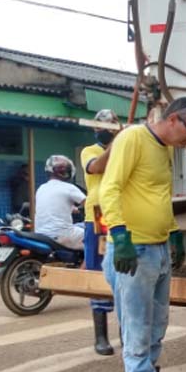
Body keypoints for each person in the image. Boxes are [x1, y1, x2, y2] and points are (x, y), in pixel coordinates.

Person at [100, 97, 186, 372]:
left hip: (157, 250)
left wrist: (174, 233)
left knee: (157, 327)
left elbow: (160, 196)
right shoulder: (132, 139)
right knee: (137, 331)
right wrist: (118, 234)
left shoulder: (167, 149)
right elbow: (109, 188)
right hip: (134, 250)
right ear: (173, 119)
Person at [81, 108, 121, 356]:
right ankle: (101, 337)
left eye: (111, 127)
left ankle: (126, 334)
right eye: (101, 127)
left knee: (125, 274)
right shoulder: (91, 151)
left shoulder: (123, 148)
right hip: (98, 218)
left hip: (122, 215)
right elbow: (96, 168)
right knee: (98, 273)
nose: (105, 131)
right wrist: (117, 145)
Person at [34, 155, 86, 250]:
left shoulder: (41, 188)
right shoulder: (69, 188)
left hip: (41, 234)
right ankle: (86, 265)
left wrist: (73, 209)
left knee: (78, 227)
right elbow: (89, 204)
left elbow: (54, 206)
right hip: (62, 234)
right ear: (66, 172)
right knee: (95, 238)